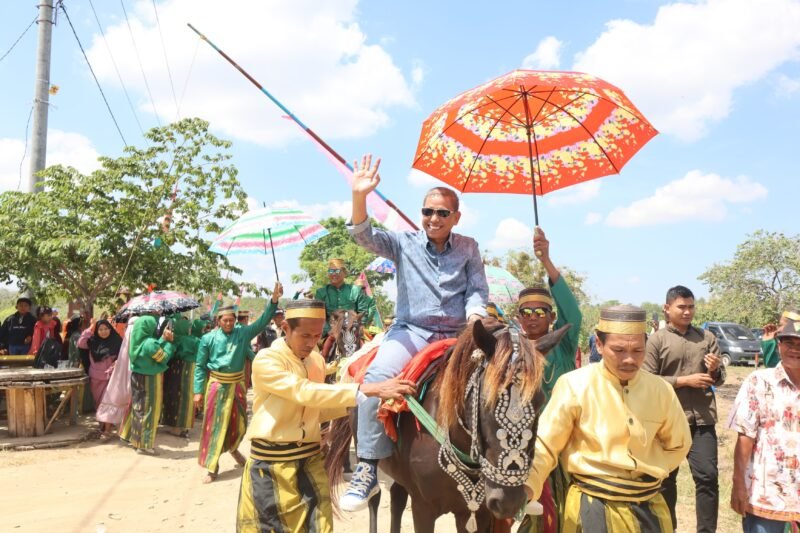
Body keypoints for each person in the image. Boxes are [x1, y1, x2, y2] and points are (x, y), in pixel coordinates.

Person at [340, 154, 489, 511]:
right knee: (375, 379)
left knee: (502, 381)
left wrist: (475, 320)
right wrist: (359, 195)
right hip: (413, 332)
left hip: (458, 334)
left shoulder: (468, 247)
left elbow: (477, 291)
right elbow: (363, 235)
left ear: (456, 217)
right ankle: (368, 467)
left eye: (441, 213)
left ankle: (503, 469)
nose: (433, 218)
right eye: (427, 212)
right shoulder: (401, 243)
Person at [236, 300, 416, 533]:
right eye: (305, 336)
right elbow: (304, 392)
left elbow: (317, 410)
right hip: (271, 467)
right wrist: (368, 390)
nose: (312, 343)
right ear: (286, 329)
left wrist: (361, 404)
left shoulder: (316, 361)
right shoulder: (267, 360)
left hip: (311, 463)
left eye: (316, 336)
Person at [523, 305, 691, 532]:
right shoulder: (574, 385)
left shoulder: (661, 390)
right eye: (619, 350)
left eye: (638, 351)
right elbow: (545, 445)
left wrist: (651, 468)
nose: (629, 359)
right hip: (592, 508)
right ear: (599, 345)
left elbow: (679, 444)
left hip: (649, 506)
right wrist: (527, 486)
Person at [644, 285, 725, 532]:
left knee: (707, 478)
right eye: (682, 307)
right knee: (665, 480)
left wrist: (714, 369)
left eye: (691, 307)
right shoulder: (657, 340)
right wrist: (682, 381)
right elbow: (646, 380)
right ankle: (667, 528)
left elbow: (719, 378)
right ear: (667, 309)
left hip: (702, 419)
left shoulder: (706, 338)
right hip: (667, 420)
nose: (688, 312)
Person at [516, 227, 582, 532]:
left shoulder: (563, 343)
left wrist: (546, 261)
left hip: (567, 441)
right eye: (525, 312)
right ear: (518, 317)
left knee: (571, 511)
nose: (532, 316)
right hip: (525, 445)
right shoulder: (511, 350)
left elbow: (575, 315)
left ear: (551, 316)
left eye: (539, 311)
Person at [194, 282, 282, 483]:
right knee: (214, 426)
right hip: (217, 385)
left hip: (238, 385)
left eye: (231, 320)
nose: (228, 323)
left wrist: (274, 300)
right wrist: (197, 391)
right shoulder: (207, 339)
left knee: (240, 423)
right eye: (224, 320)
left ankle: (233, 449)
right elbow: (200, 367)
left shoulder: (242, 333)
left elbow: (262, 322)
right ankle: (212, 466)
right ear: (218, 321)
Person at [730, 320, 800, 532]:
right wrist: (739, 484)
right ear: (779, 345)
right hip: (766, 494)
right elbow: (745, 437)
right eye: (789, 343)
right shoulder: (758, 381)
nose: (795, 349)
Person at [119, 315, 176, 455]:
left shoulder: (138, 341)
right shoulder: (149, 343)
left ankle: (132, 438)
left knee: (138, 408)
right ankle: (144, 445)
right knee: (150, 410)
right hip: (150, 379)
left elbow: (153, 349)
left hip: (137, 376)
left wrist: (162, 339)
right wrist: (169, 343)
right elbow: (163, 357)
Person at [80, 320, 123, 435]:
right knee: (99, 403)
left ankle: (106, 430)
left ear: (110, 329)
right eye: (100, 329)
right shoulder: (92, 341)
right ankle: (103, 425)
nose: (103, 332)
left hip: (111, 377)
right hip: (96, 377)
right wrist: (90, 328)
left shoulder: (117, 341)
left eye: (106, 329)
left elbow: (122, 355)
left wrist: (117, 362)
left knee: (107, 403)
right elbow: (81, 343)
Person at [314, 258, 376, 336]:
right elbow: (319, 315)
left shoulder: (355, 290)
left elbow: (363, 312)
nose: (333, 274)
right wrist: (330, 330)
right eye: (331, 271)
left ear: (344, 273)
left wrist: (357, 327)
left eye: (337, 271)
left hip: (353, 331)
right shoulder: (321, 292)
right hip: (329, 332)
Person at [161, 315, 196, 438]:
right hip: (191, 371)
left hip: (175, 371)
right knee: (186, 398)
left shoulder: (173, 338)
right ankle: (183, 427)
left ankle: (176, 428)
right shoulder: (194, 340)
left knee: (175, 397)